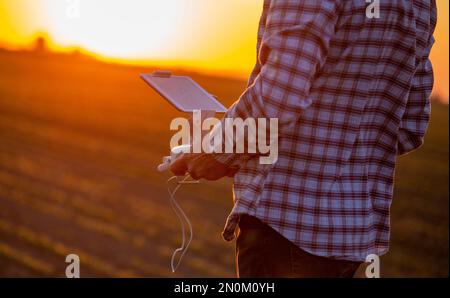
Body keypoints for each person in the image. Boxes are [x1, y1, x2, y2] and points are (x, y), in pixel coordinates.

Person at [171, 0, 437, 278]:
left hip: (285, 228)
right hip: (352, 234)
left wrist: (216, 152)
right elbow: (408, 127)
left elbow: (279, 97)